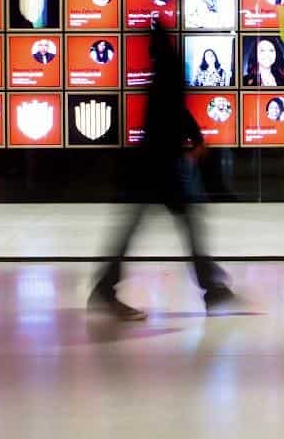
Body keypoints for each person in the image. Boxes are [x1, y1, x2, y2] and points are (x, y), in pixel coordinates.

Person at [91, 20, 234, 319]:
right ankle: (211, 290)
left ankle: (107, 288)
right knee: (187, 226)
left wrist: (194, 139)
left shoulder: (161, 73)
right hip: (162, 166)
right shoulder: (168, 73)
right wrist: (196, 140)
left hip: (156, 164)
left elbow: (174, 112)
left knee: (158, 227)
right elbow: (175, 112)